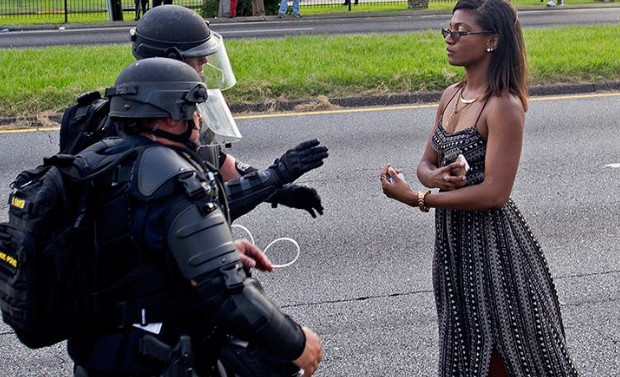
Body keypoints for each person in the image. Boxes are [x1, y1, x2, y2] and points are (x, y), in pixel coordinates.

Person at [68, 57, 324, 377]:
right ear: (171, 116)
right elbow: (227, 292)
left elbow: (129, 249)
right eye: (193, 108)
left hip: (99, 355)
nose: (199, 118)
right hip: (154, 358)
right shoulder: (171, 177)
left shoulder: (99, 158)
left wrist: (215, 248)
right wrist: (297, 342)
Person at [380, 0, 579, 376]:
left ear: (491, 41)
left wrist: (419, 197)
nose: (450, 39)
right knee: (464, 349)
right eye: (448, 30)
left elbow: (495, 193)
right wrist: (431, 177)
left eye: (461, 31)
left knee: (509, 352)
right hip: (454, 249)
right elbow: (427, 161)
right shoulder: (451, 95)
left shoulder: (503, 106)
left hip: (494, 252)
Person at [125, 5, 326, 221]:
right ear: (171, 61)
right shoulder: (139, 129)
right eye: (196, 55)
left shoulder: (178, 110)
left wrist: (279, 191)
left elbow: (221, 165)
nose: (205, 60)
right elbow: (195, 210)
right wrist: (275, 176)